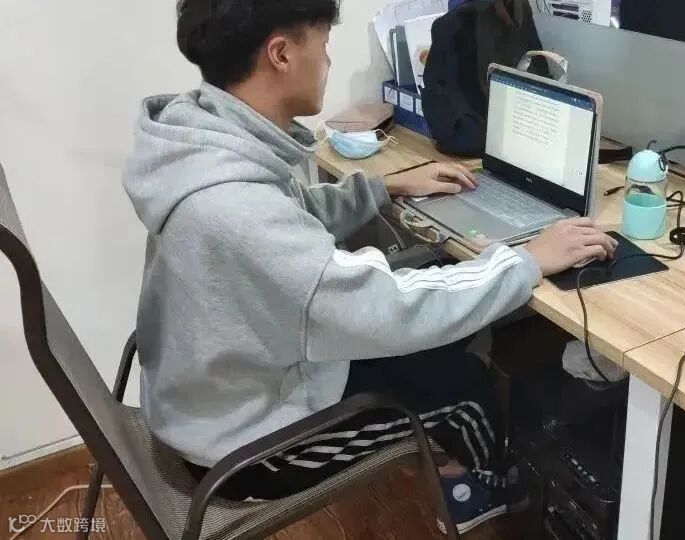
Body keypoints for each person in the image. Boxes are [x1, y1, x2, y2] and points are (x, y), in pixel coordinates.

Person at [123, 0, 616, 534]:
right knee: (466, 389)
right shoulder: (237, 209)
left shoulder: (205, 141)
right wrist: (525, 260)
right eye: (324, 44)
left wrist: (383, 188)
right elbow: (391, 311)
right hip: (249, 447)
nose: (328, 60)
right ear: (281, 55)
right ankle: (481, 491)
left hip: (219, 391)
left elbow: (294, 213)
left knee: (441, 334)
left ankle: (453, 457)